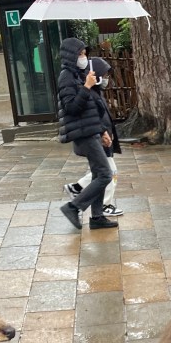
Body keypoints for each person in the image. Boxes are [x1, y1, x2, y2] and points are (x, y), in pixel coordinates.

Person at [56, 37, 116, 231]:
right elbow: (71, 108)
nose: (84, 57)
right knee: (106, 174)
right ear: (71, 55)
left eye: (84, 54)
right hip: (83, 133)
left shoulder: (78, 75)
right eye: (80, 54)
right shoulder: (66, 76)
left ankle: (97, 217)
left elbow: (91, 108)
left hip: (91, 130)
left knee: (99, 173)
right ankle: (73, 207)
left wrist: (102, 131)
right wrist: (86, 87)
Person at [63, 56, 123, 217]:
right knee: (108, 173)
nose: (106, 79)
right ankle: (100, 204)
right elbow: (92, 116)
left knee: (102, 172)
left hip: (102, 138)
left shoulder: (97, 93)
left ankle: (79, 190)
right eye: (103, 75)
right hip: (97, 139)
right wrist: (103, 133)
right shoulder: (90, 94)